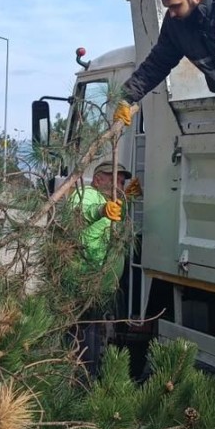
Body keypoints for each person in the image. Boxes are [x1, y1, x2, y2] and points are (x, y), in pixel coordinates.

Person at [70, 160, 131, 378]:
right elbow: (78, 215)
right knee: (82, 342)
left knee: (93, 341)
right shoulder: (88, 195)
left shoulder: (111, 204)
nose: (120, 186)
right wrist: (100, 210)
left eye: (122, 182)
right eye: (115, 180)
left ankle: (87, 382)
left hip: (99, 289)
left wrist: (128, 198)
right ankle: (79, 385)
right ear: (98, 180)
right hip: (84, 284)